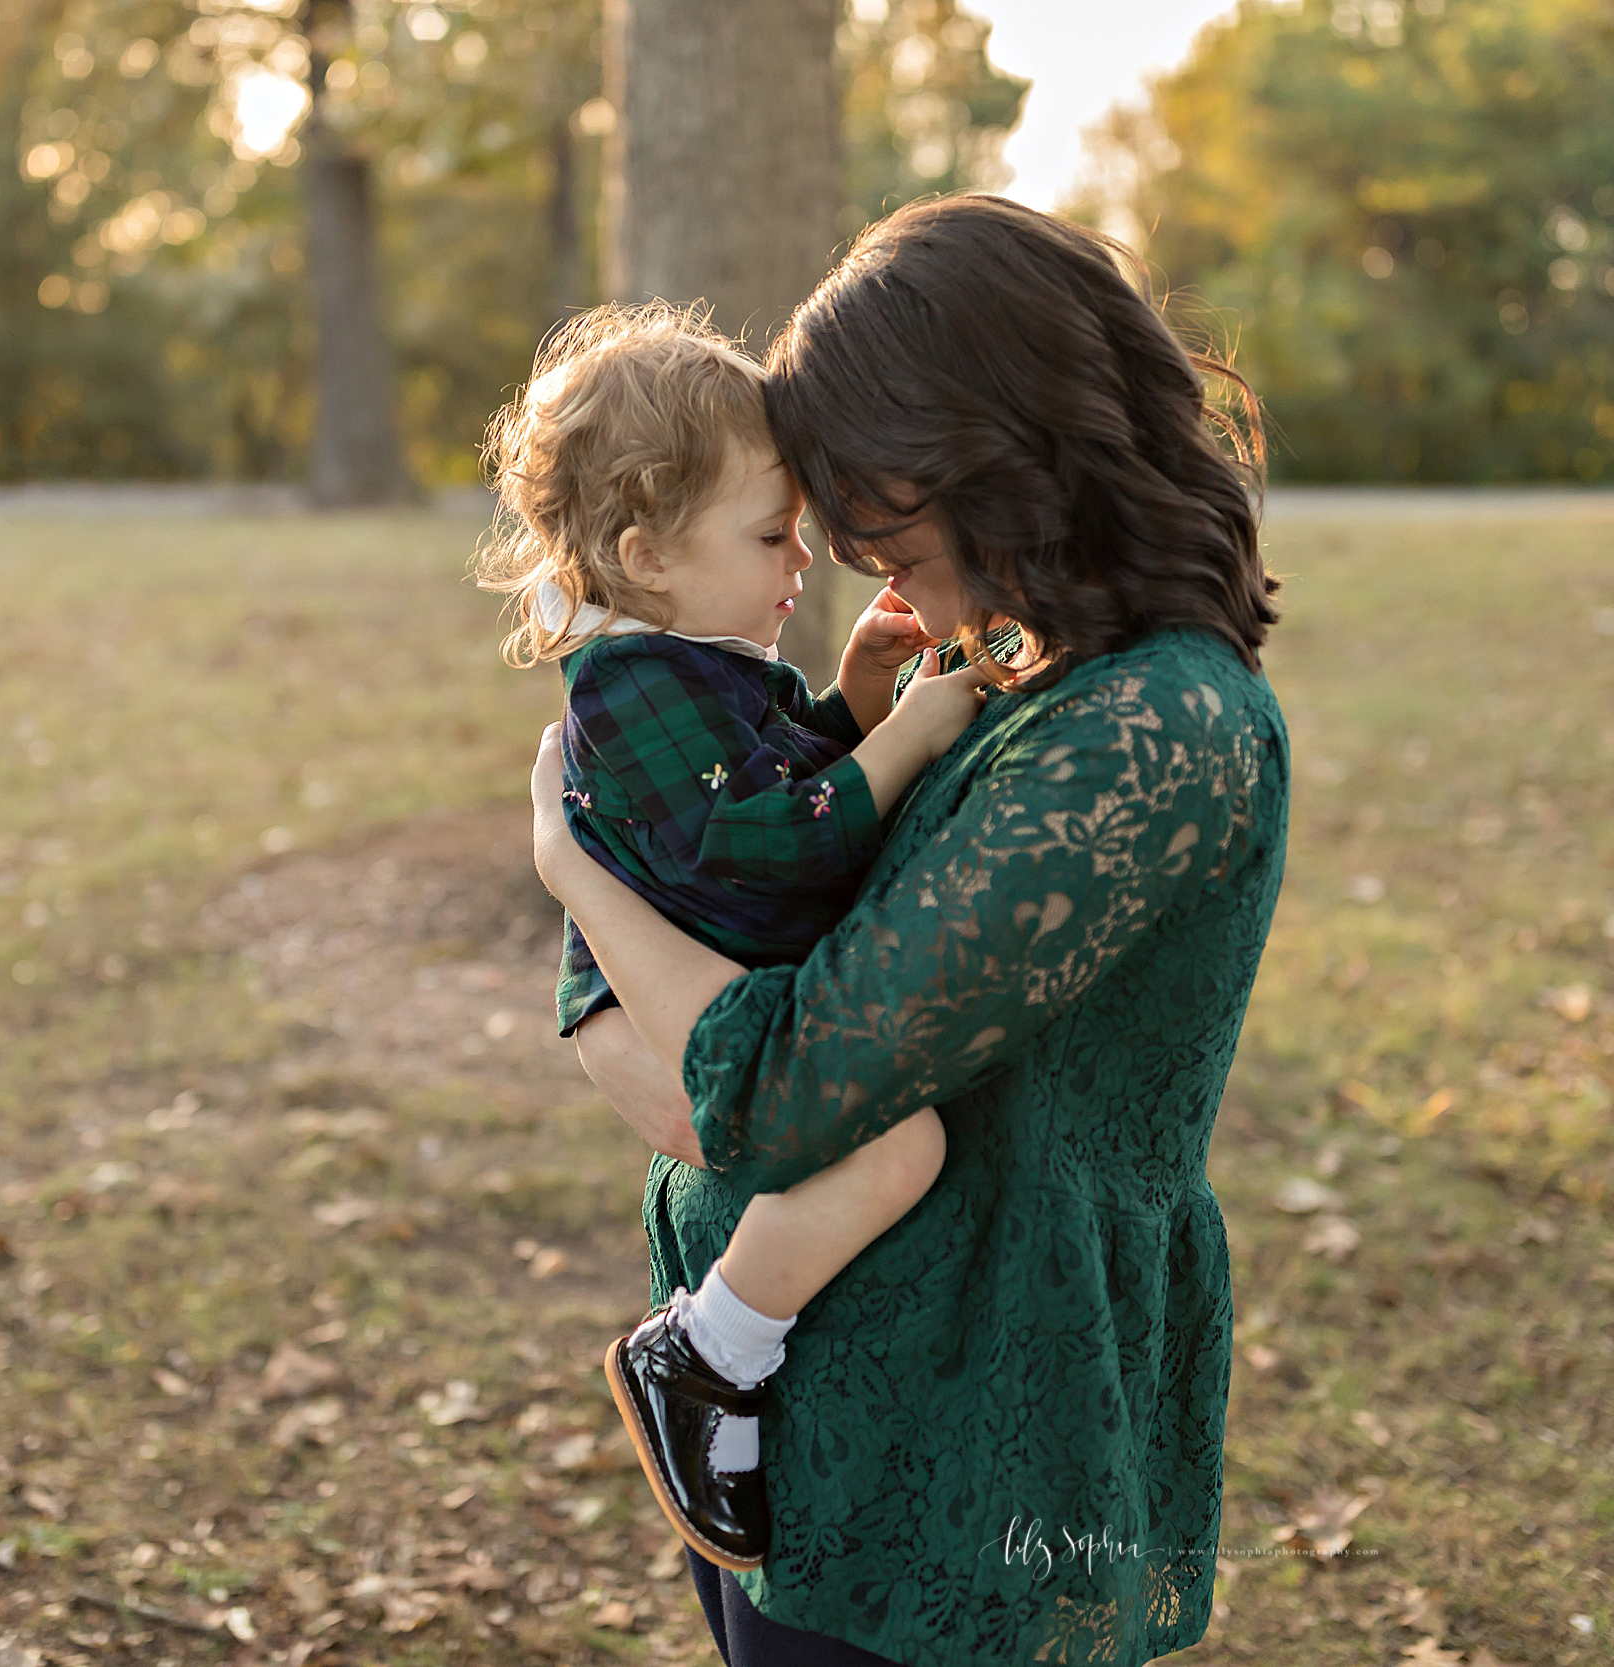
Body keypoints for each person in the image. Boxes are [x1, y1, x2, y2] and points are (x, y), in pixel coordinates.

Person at [531, 194, 1290, 1667]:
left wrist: (578, 876)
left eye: (882, 523)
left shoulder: (1154, 725)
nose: (871, 574)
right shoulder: (1045, 666)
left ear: (996, 460)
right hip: (806, 1404)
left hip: (965, 1434)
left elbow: (787, 1083)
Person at [471, 301, 995, 1572]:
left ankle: (725, 1344)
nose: (801, 562)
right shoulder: (632, 686)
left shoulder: (687, 663)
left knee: (884, 1135)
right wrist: (912, 731)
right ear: (646, 552)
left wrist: (858, 699)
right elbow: (770, 849)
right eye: (772, 534)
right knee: (890, 1144)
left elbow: (759, 786)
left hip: (679, 995)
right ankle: (707, 1354)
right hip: (646, 1023)